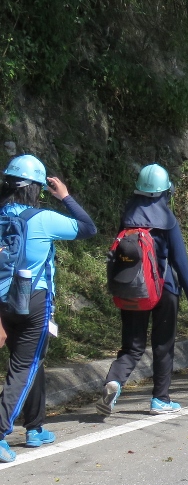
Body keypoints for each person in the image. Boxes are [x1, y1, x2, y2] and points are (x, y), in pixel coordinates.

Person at [0, 155, 95, 462]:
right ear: (37, 190)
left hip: (3, 301)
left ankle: (34, 427)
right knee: (23, 368)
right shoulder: (43, 220)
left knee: (32, 362)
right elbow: (88, 228)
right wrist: (65, 196)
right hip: (33, 301)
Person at [98, 163, 188, 417]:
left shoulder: (128, 217)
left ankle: (115, 380)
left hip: (134, 287)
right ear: (164, 192)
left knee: (132, 346)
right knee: (163, 345)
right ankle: (160, 399)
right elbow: (181, 261)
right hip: (165, 290)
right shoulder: (166, 219)